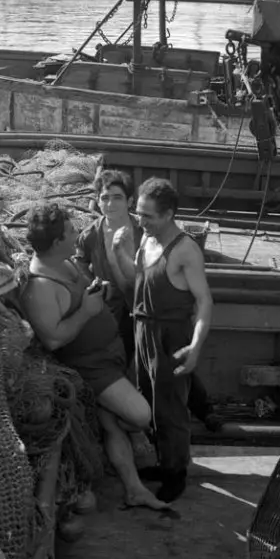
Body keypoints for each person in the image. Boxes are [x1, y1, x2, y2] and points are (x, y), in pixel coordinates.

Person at [19, 201, 167, 511]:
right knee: (140, 415)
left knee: (112, 422)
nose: (77, 234)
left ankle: (134, 489)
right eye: (71, 231)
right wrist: (87, 311)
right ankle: (124, 434)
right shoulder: (41, 287)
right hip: (91, 368)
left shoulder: (67, 262)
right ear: (57, 241)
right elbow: (54, 339)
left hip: (110, 354)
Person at [75, 169, 215, 425]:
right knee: (135, 368)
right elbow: (81, 264)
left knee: (173, 370)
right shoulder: (91, 235)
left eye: (117, 197)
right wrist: (96, 281)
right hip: (118, 313)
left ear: (129, 201)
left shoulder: (147, 233)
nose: (109, 204)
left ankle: (203, 410)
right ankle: (139, 421)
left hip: (153, 312)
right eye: (104, 198)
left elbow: (166, 276)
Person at [132, 177, 214, 503]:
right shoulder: (145, 239)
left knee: (171, 410)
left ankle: (176, 473)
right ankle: (163, 461)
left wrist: (195, 347)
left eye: (148, 216)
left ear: (168, 215)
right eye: (138, 213)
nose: (141, 220)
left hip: (171, 337)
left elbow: (205, 301)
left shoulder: (185, 250)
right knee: (148, 404)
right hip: (143, 332)